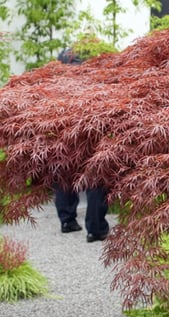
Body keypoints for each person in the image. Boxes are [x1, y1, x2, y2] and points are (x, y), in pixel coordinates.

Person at [54, 48, 110, 242]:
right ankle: (95, 228)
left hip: (63, 136)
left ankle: (67, 220)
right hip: (90, 135)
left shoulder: (54, 87)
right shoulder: (94, 84)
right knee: (95, 178)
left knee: (64, 174)